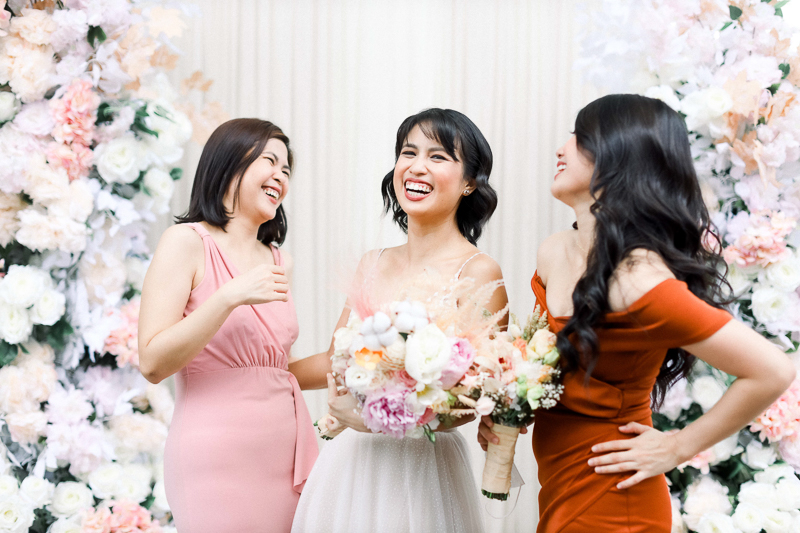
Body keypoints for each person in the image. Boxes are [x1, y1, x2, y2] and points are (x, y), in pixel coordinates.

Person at [478, 94, 795, 532]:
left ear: (619, 157)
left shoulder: (638, 279)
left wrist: (677, 446)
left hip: (618, 500)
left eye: (579, 138)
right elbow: (546, 367)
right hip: (559, 485)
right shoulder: (553, 251)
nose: (561, 149)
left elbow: (773, 371)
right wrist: (509, 408)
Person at [289, 108, 507, 533]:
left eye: (438, 156)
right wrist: (263, 373)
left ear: (469, 182)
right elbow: (335, 361)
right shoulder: (373, 262)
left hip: (424, 471)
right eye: (409, 152)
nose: (417, 166)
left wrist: (378, 420)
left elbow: (478, 400)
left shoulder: (479, 272)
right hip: (353, 463)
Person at [138, 119, 318, 533]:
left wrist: (368, 359)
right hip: (213, 457)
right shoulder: (185, 242)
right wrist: (227, 296)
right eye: (269, 161)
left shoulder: (280, 262)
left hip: (284, 455)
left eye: (286, 169)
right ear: (229, 163)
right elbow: (152, 362)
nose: (280, 176)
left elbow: (277, 369)